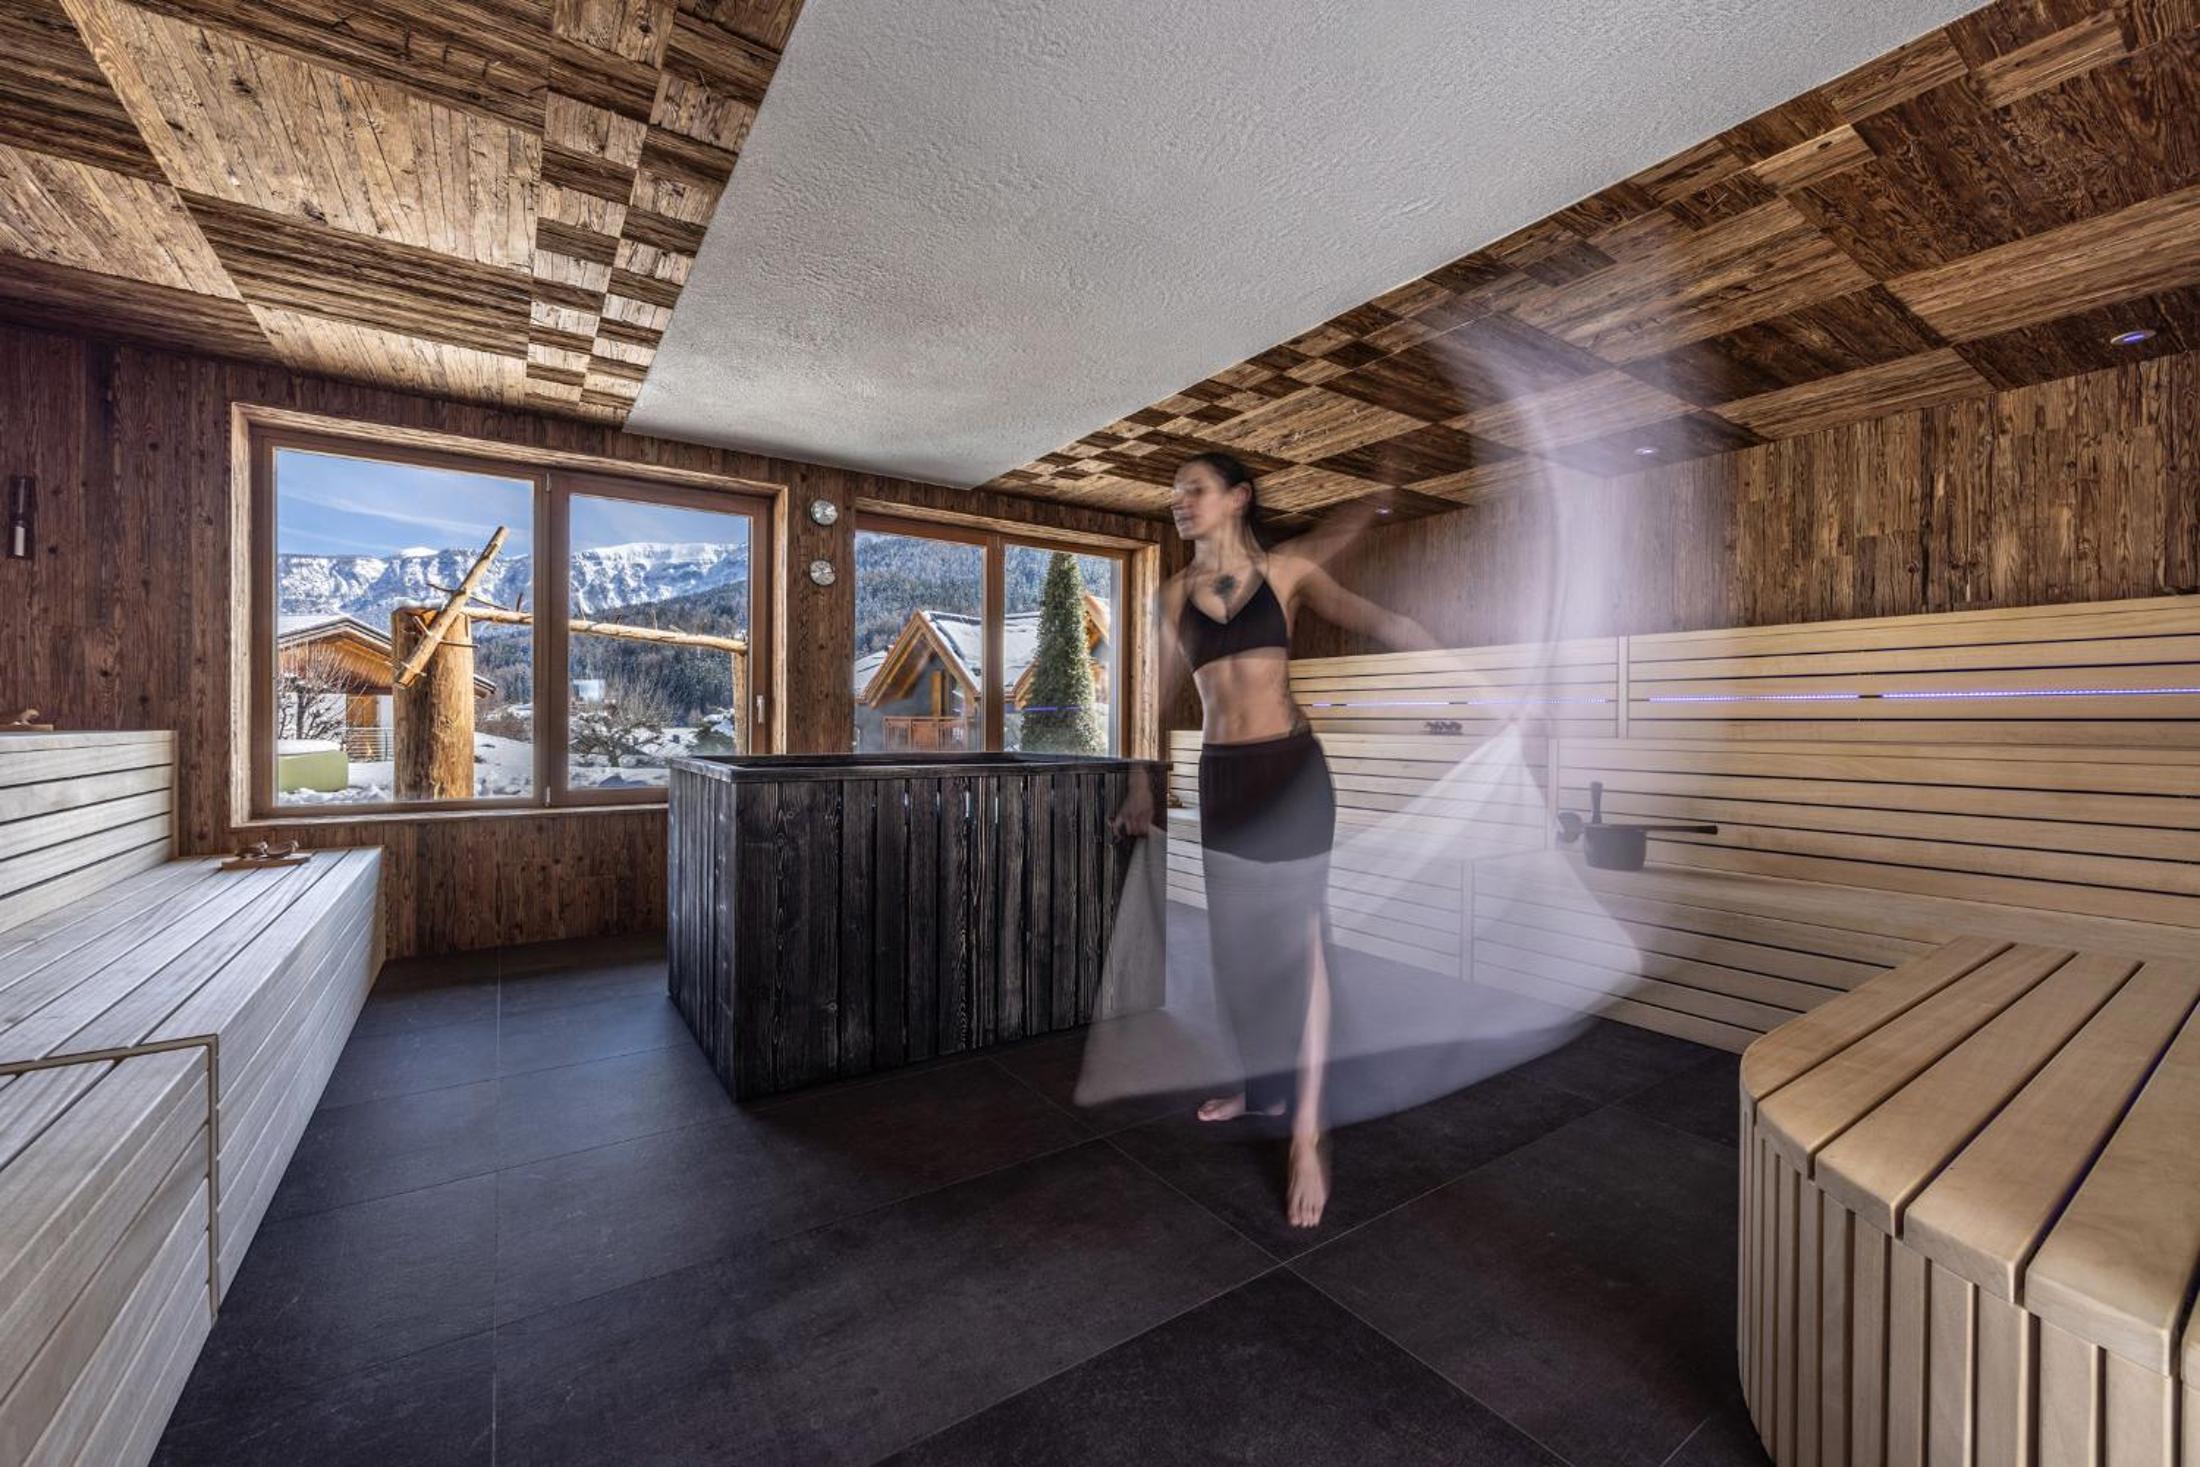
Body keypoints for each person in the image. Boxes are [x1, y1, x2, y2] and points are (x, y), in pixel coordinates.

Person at [1110, 452, 1435, 1228]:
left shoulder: (1284, 572)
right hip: (1223, 779)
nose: (1179, 501)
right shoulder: (1171, 596)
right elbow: (1151, 701)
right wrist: (1141, 783)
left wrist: (1450, 669)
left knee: (1301, 942)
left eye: (1194, 489)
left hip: (1291, 773)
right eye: (1175, 493)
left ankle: (1307, 1133)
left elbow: (1381, 621)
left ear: (1238, 498)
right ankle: (1262, 1086)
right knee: (1240, 950)